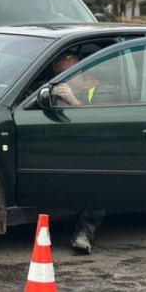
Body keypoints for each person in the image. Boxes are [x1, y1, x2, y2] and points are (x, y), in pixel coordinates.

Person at [51, 51, 105, 254]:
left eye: (69, 72)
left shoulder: (98, 90)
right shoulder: (55, 89)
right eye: (60, 74)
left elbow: (98, 123)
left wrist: (72, 101)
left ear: (80, 69)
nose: (65, 78)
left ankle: (85, 230)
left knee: (100, 177)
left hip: (94, 149)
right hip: (65, 149)